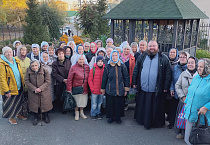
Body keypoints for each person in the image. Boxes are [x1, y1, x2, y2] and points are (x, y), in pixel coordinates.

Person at [132, 40, 171, 129]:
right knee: (143, 106)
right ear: (147, 47)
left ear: (157, 47)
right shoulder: (142, 57)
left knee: (155, 107)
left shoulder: (163, 58)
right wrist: (134, 82)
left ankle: (155, 123)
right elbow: (136, 70)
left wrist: (166, 87)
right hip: (143, 88)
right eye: (150, 46)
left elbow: (168, 74)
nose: (152, 48)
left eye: (154, 46)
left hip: (156, 89)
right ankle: (142, 120)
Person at [184, 58, 210, 145]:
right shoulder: (196, 77)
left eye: (202, 67)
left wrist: (207, 107)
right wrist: (186, 101)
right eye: (198, 66)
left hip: (203, 118)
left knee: (200, 141)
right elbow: (190, 91)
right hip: (191, 114)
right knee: (188, 139)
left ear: (207, 67)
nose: (198, 68)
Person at [101, 50, 130, 124]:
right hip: (110, 89)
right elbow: (104, 78)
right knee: (110, 104)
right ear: (111, 56)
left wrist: (126, 89)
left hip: (120, 88)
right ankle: (111, 117)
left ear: (118, 56)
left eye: (116, 55)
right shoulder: (108, 66)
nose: (114, 57)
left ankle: (118, 117)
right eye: (113, 56)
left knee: (118, 104)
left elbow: (126, 77)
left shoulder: (122, 66)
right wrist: (103, 89)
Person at [0, 46, 26, 124]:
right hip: (9, 87)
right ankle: (11, 117)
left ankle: (18, 114)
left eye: (10, 52)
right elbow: (2, 78)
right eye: (7, 52)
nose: (9, 54)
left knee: (18, 101)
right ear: (4, 54)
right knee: (10, 103)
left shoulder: (16, 60)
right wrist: (6, 90)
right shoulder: (2, 63)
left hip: (18, 85)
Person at [174, 56, 198, 139]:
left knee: (192, 118)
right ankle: (181, 132)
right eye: (189, 62)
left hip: (195, 102)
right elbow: (177, 86)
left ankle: (192, 134)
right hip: (184, 100)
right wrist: (183, 97)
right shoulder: (183, 74)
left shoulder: (199, 75)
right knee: (182, 117)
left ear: (196, 64)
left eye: (192, 62)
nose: (190, 64)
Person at [25, 60, 53, 125]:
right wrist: (34, 89)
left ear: (38, 65)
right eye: (32, 66)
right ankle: (35, 116)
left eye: (35, 65)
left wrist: (41, 88)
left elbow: (48, 81)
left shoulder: (45, 70)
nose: (34, 67)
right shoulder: (28, 71)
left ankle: (46, 115)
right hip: (33, 91)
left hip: (44, 91)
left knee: (45, 104)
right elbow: (27, 81)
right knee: (35, 105)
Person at [168, 52, 189, 129]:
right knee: (173, 108)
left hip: (185, 93)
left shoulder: (188, 68)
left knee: (181, 110)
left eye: (184, 57)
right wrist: (171, 89)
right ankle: (172, 123)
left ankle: (180, 126)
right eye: (181, 57)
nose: (182, 58)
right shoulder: (175, 67)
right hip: (175, 91)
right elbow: (172, 79)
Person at [67, 55, 90, 121]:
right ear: (77, 60)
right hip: (76, 87)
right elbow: (69, 79)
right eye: (80, 59)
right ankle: (76, 112)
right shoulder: (73, 67)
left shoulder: (87, 67)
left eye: (83, 59)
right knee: (76, 101)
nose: (81, 61)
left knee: (83, 101)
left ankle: (81, 112)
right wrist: (69, 89)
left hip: (84, 87)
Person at [52, 48, 71, 114]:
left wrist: (68, 79)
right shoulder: (55, 63)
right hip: (59, 82)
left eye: (62, 54)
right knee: (59, 95)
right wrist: (63, 80)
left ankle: (65, 107)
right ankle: (60, 108)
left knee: (66, 94)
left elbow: (70, 71)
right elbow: (54, 73)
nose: (61, 55)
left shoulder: (68, 61)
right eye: (59, 54)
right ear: (57, 55)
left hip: (67, 80)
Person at [15, 45, 31, 117]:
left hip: (27, 80)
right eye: (22, 50)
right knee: (19, 98)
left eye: (25, 50)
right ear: (19, 51)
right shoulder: (15, 59)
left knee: (26, 97)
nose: (24, 52)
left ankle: (25, 111)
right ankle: (18, 112)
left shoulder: (28, 59)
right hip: (18, 81)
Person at [88, 55, 105, 120]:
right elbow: (90, 80)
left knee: (100, 103)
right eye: (99, 61)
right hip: (95, 90)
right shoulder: (93, 69)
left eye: (101, 61)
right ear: (96, 62)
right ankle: (93, 113)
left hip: (101, 90)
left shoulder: (104, 69)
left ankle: (98, 113)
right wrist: (92, 88)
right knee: (94, 103)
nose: (100, 63)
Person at [120, 45, 135, 110]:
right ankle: (121, 104)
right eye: (125, 49)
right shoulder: (119, 57)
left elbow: (134, 69)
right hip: (120, 77)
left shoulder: (132, 58)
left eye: (127, 49)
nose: (126, 50)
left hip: (128, 76)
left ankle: (126, 104)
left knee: (127, 91)